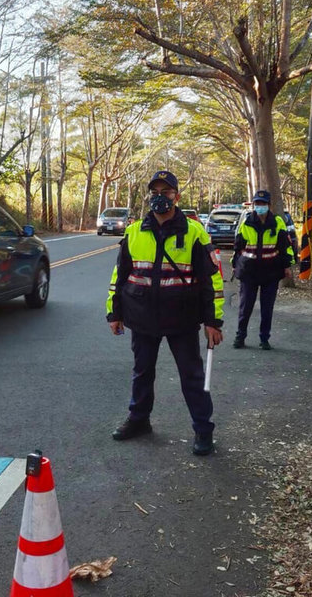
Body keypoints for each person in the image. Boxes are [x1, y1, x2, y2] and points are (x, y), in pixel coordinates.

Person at [106, 170, 225, 456]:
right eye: (155, 192)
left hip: (181, 319)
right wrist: (114, 313)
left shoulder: (194, 232)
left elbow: (212, 280)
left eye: (166, 192)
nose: (160, 197)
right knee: (142, 372)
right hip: (142, 316)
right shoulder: (135, 231)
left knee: (192, 376)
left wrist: (213, 320)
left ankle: (202, 430)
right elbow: (120, 275)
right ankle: (139, 420)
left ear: (177, 196)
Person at [231, 190, 295, 350]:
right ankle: (240, 336)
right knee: (245, 306)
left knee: (267, 307)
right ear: (253, 205)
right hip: (249, 271)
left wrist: (287, 266)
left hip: (270, 271)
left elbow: (284, 246)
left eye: (263, 204)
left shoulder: (278, 222)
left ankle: (264, 338)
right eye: (257, 204)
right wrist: (235, 265)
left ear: (269, 205)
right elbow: (238, 247)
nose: (260, 207)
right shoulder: (246, 223)